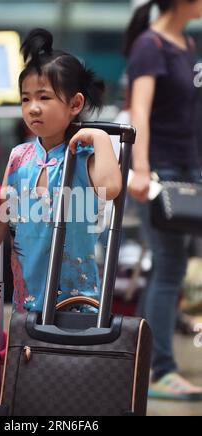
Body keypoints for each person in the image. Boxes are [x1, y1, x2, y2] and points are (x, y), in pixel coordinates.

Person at [0, 28, 121, 317]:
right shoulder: (19, 157)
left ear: (75, 104)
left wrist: (101, 137)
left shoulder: (84, 156)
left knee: (68, 362)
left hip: (78, 303)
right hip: (26, 300)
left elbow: (111, 187)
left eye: (44, 98)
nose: (33, 108)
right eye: (25, 99)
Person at [124, 0, 202, 400]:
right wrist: (140, 168)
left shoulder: (186, 44)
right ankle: (158, 369)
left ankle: (139, 361)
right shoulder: (150, 46)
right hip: (160, 172)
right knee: (168, 266)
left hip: (189, 170)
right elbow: (140, 111)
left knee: (170, 268)